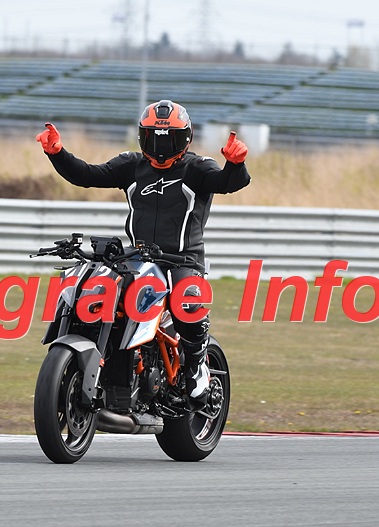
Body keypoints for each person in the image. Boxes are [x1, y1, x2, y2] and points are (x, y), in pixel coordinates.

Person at [36, 99, 250, 402]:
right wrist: (57, 153)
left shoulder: (198, 168)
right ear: (142, 137)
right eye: (153, 137)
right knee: (95, 289)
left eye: (169, 139)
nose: (161, 147)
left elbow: (227, 182)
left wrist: (236, 164)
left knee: (186, 304)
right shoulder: (131, 165)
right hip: (136, 256)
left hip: (183, 260)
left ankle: (196, 366)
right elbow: (88, 175)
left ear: (186, 138)